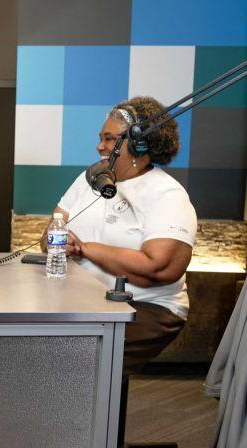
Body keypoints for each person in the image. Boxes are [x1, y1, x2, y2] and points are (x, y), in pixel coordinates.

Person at [46, 96, 197, 376]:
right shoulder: (90, 178)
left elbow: (158, 268)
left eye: (108, 139)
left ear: (139, 144)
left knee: (75, 363)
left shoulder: (167, 195)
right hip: (85, 299)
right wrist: (60, 240)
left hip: (145, 307)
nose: (99, 146)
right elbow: (52, 231)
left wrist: (85, 248)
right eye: (100, 138)